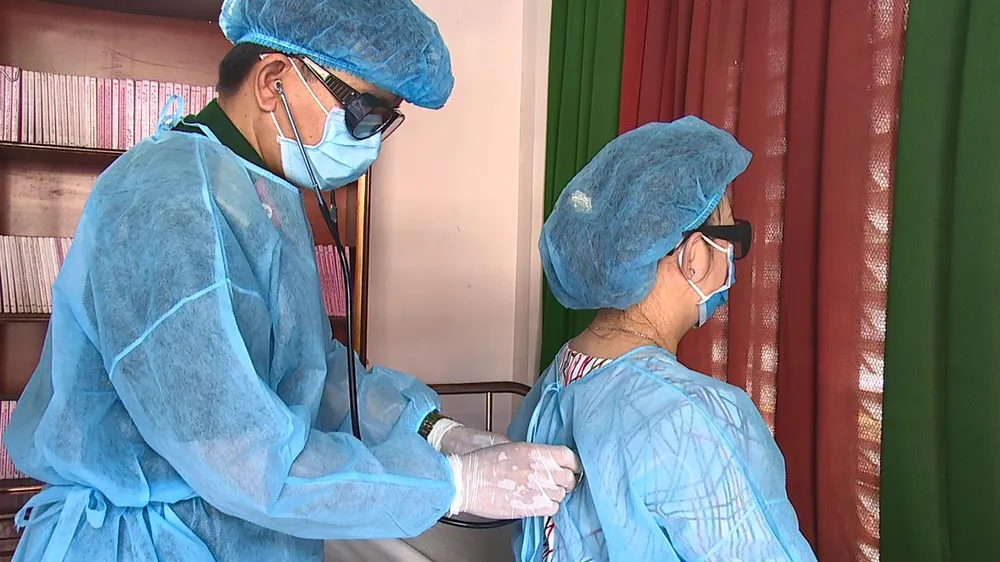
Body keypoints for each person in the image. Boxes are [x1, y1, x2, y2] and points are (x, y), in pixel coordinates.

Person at [1, 0, 581, 560]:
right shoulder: (165, 204)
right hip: (148, 543)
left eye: (385, 122)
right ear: (272, 80)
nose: (371, 142)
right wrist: (452, 483)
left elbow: (308, 371)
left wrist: (431, 428)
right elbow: (237, 452)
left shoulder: (259, 195)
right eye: (363, 113)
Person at [509, 116, 818, 561]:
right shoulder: (696, 419)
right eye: (732, 236)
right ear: (694, 257)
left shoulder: (557, 380)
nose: (732, 258)